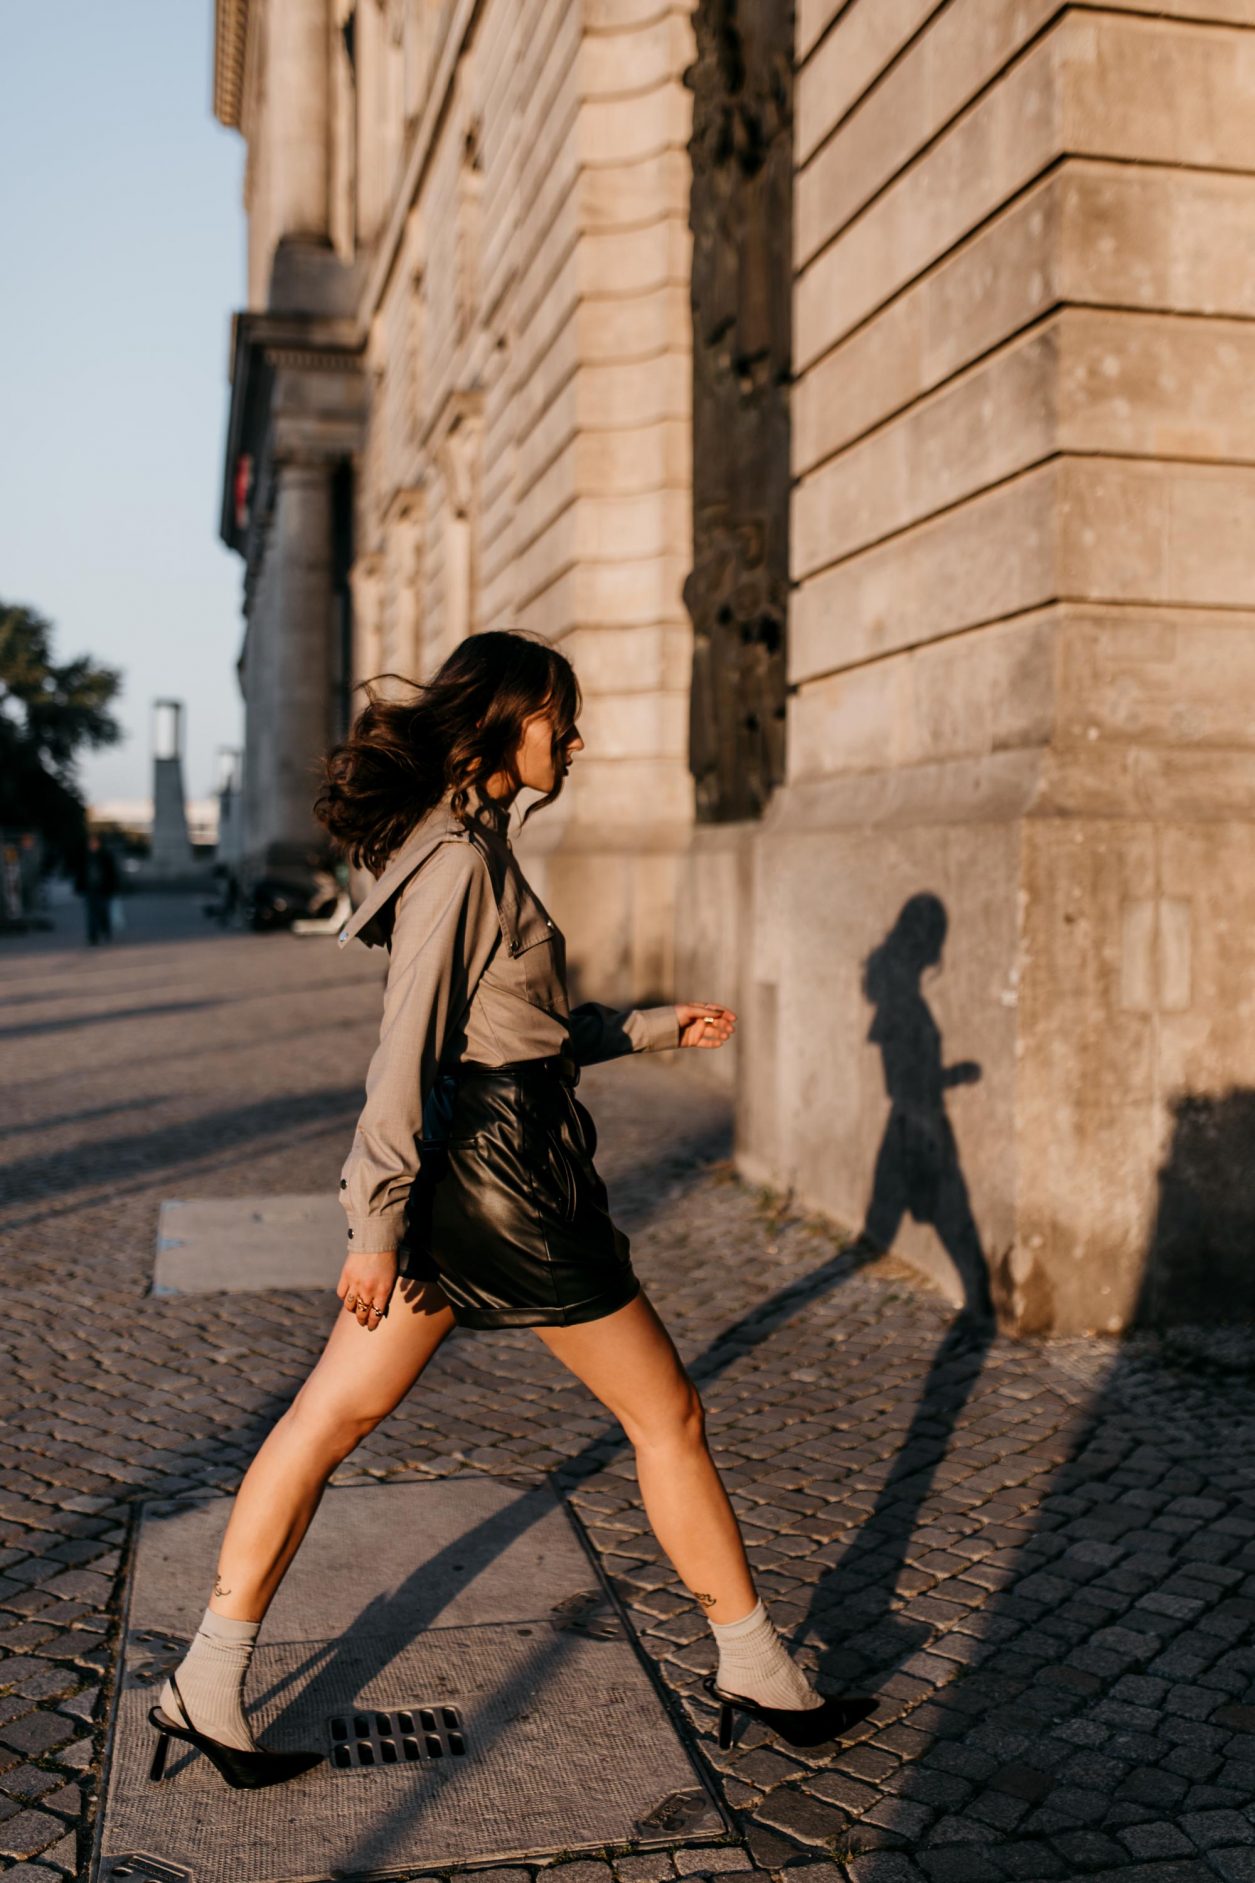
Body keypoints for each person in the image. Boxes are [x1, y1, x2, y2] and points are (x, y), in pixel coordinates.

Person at [148, 631, 873, 1791]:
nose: (572, 740)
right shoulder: (458, 862)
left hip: (484, 1169)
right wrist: (373, 1224)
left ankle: (207, 1679)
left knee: (327, 1421)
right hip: (507, 1186)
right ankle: (753, 1665)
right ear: (499, 723)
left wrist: (641, 1026)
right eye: (556, 720)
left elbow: (515, 1026)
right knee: (667, 1413)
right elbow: (408, 1051)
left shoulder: (470, 846)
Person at [74, 833, 118, 945]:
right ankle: (92, 937)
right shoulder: (85, 856)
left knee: (103, 913)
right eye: (90, 842)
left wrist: (112, 888)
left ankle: (106, 931)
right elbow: (80, 873)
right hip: (90, 889)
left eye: (94, 842)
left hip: (103, 890)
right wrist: (79, 887)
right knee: (91, 914)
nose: (92, 845)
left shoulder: (106, 856)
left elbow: (112, 874)